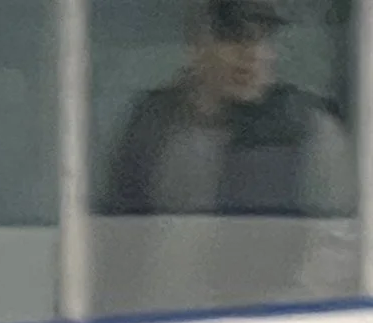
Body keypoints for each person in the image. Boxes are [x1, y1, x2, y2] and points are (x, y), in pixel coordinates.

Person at [105, 0, 353, 301]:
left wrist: (284, 317)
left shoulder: (307, 130)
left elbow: (342, 244)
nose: (252, 55)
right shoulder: (152, 128)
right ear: (198, 41)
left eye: (264, 38)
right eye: (234, 36)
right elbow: (112, 246)